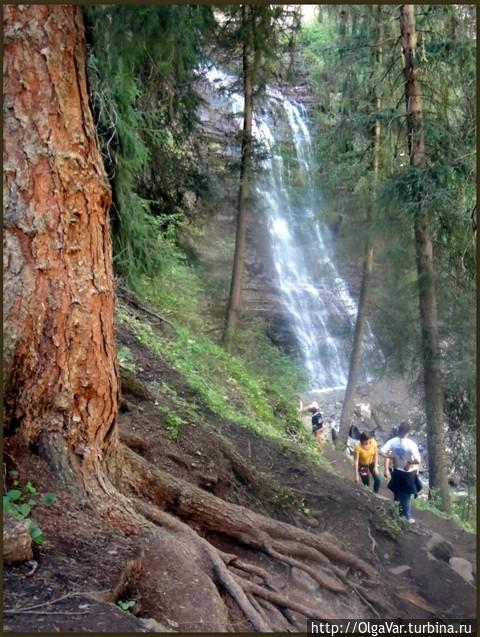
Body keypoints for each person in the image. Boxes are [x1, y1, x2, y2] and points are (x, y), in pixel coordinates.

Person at [380, 421, 421, 523]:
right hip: (408, 474)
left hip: (397, 471)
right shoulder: (411, 444)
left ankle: (395, 514)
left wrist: (392, 457)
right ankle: (406, 518)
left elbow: (381, 451)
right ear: (408, 432)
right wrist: (409, 462)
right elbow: (418, 460)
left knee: (397, 493)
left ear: (399, 430)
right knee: (406, 496)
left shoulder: (393, 441)